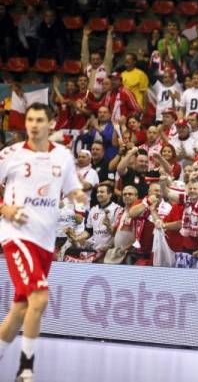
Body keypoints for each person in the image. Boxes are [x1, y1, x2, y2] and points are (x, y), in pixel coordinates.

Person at [0, 103, 86, 382]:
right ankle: (26, 369)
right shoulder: (11, 155)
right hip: (16, 235)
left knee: (21, 307)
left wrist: (77, 196)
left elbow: (72, 187)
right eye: (29, 120)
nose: (33, 125)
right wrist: (5, 208)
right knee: (40, 296)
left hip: (45, 240)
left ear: (51, 124)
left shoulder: (62, 156)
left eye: (39, 120)